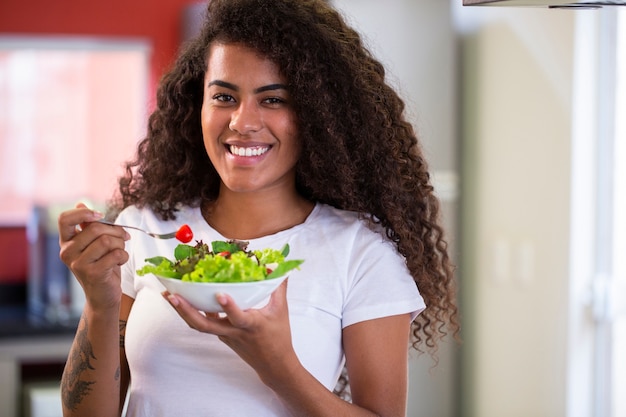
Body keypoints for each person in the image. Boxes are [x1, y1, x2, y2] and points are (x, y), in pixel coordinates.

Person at [57, 0, 459, 415]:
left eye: (273, 100)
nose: (242, 122)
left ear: (317, 116)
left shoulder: (361, 251)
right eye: (225, 96)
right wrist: (99, 304)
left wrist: (277, 365)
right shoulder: (145, 228)